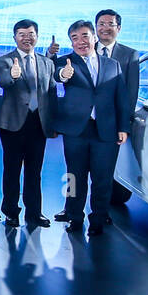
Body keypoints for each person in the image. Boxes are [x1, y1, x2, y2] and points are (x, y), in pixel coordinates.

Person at [51, 20, 131, 235]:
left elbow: (121, 98)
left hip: (106, 131)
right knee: (74, 177)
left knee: (102, 179)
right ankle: (75, 218)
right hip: (76, 130)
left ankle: (98, 218)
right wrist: (63, 75)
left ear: (94, 37)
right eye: (74, 38)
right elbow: (58, 75)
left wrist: (123, 127)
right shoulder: (64, 62)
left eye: (84, 36)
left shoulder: (112, 65)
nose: (80, 42)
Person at [0, 19, 57, 228]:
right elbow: (3, 81)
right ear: (15, 38)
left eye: (30, 34)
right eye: (22, 34)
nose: (26, 38)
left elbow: (52, 93)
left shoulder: (46, 62)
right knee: (12, 170)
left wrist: (53, 123)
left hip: (38, 124)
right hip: (13, 124)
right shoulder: (4, 60)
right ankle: (11, 212)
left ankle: (34, 213)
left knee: (34, 171)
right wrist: (12, 76)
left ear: (37, 36)